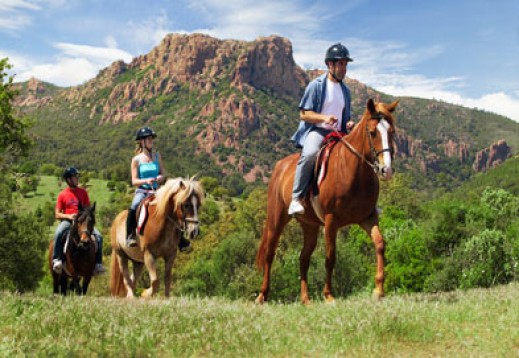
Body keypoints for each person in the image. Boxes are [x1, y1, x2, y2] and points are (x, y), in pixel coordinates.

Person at [288, 43, 356, 215]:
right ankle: (296, 198)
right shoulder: (316, 85)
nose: (344, 68)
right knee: (310, 154)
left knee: (360, 155)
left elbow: (345, 116)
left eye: (345, 64)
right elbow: (304, 114)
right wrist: (325, 118)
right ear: (330, 65)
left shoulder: (346, 91)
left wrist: (348, 123)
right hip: (319, 131)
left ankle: (363, 202)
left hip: (339, 134)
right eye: (341, 64)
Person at [125, 126, 193, 252]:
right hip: (143, 191)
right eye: (148, 139)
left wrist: (159, 178)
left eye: (151, 139)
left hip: (157, 190)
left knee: (173, 207)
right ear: (142, 141)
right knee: (134, 207)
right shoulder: (136, 160)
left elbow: (163, 173)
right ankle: (130, 235)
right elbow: (134, 181)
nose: (151, 141)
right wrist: (146, 180)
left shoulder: (157, 156)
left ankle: (180, 239)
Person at [52, 167, 106, 275]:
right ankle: (57, 259)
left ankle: (98, 264)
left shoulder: (83, 193)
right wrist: (68, 216)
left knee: (99, 236)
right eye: (75, 177)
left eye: (77, 176)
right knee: (58, 233)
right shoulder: (62, 195)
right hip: (69, 221)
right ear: (68, 180)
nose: (77, 178)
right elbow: (57, 214)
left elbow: (88, 209)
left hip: (82, 222)